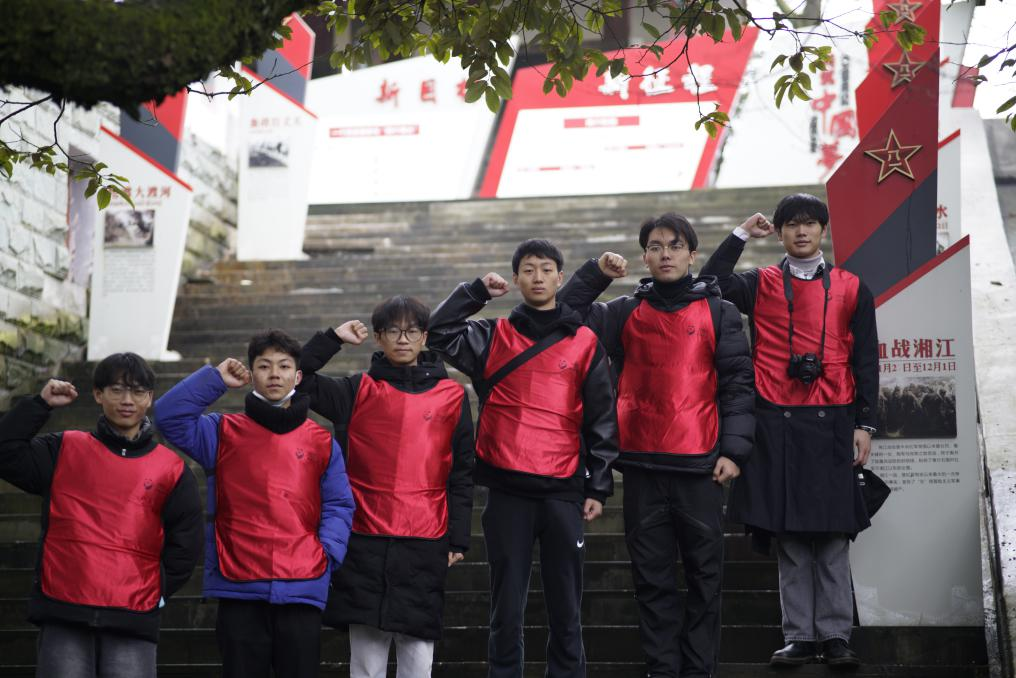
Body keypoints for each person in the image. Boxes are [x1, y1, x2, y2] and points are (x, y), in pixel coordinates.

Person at [557, 213, 755, 678]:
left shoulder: (721, 311)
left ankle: (698, 670)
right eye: (655, 246)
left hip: (701, 467)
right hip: (641, 466)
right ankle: (662, 669)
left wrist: (734, 451)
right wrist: (595, 275)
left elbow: (738, 385)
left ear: (692, 254)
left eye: (675, 245)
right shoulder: (623, 312)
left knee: (706, 578)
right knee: (652, 580)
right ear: (644, 256)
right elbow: (564, 317)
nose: (665, 254)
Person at [700, 193, 879, 667]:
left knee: (834, 534)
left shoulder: (851, 287)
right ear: (779, 233)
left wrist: (865, 422)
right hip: (774, 419)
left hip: (835, 419)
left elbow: (866, 358)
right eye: (792, 224)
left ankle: (836, 635)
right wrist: (741, 233)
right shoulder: (760, 283)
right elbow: (709, 283)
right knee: (792, 534)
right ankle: (799, 635)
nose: (802, 231)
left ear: (823, 230)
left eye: (810, 223)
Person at [427, 239, 619, 678]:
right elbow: (437, 333)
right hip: (507, 489)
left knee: (566, 604)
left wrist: (599, 484)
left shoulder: (584, 341)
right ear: (515, 279)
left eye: (546, 269)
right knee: (506, 606)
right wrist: (475, 292)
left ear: (560, 278)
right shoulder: (492, 336)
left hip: (563, 490)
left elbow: (602, 417)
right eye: (528, 270)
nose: (537, 277)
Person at [154, 329, 355, 678]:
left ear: (298, 376)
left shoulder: (322, 441)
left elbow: (339, 504)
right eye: (264, 366)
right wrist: (215, 379)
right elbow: (168, 416)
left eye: (283, 366)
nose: (274, 374)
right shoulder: (221, 432)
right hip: (239, 585)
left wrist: (327, 554)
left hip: (303, 583)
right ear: (251, 374)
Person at [297, 295, 475, 678]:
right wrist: (333, 339)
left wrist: (458, 538)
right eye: (393, 330)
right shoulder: (356, 391)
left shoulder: (452, 397)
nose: (403, 339)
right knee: (366, 661)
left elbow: (462, 471)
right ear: (378, 337)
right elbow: (298, 377)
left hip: (426, 538)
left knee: (418, 658)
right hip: (363, 537)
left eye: (412, 331)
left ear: (425, 336)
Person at [0, 353, 202, 678]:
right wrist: (40, 404)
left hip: (133, 614)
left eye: (137, 391)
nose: (127, 400)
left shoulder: (171, 469)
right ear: (98, 394)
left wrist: (156, 589)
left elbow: (187, 542)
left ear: (150, 398)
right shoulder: (64, 449)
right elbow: (5, 451)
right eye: (117, 390)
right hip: (64, 608)